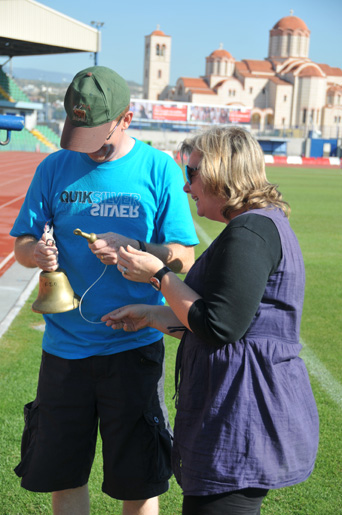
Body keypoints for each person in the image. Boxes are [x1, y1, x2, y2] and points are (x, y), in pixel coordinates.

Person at [10, 66, 199, 515]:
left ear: (125, 119)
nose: (88, 150)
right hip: (63, 352)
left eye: (97, 135)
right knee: (63, 477)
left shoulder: (158, 169)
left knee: (138, 483)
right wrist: (36, 253)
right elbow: (21, 244)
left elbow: (183, 256)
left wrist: (137, 248)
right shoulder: (54, 166)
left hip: (134, 351)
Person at [102, 126, 319, 515]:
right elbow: (219, 319)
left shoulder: (251, 230)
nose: (188, 186)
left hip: (242, 415)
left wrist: (160, 275)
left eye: (193, 173)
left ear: (221, 171)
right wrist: (152, 316)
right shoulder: (255, 225)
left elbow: (219, 326)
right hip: (239, 409)